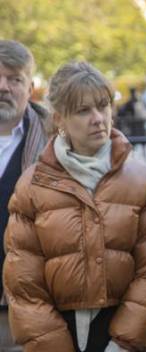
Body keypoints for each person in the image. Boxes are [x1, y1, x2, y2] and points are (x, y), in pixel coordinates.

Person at [2, 61, 146, 352]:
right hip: (57, 331)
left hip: (121, 331)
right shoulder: (32, 186)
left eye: (103, 106)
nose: (98, 118)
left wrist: (124, 343)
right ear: (59, 119)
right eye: (83, 110)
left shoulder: (143, 181)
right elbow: (24, 285)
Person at [0, 39, 49, 352]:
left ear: (30, 88)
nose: (3, 87)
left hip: (27, 308)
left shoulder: (56, 143)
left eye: (14, 78)